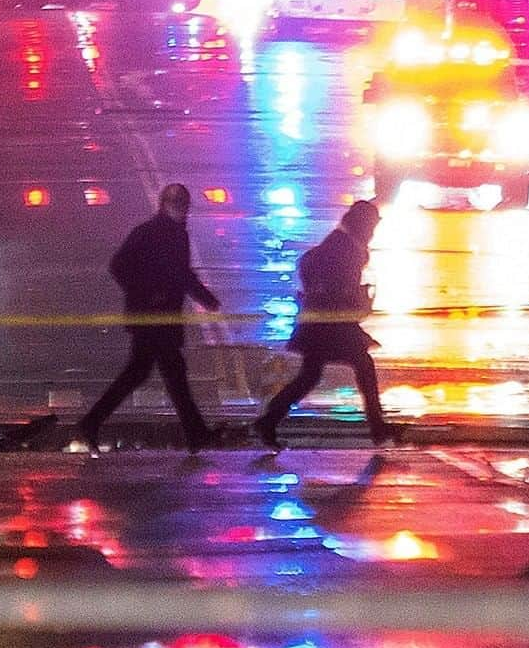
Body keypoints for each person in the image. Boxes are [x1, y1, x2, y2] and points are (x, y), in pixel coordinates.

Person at [77, 183, 223, 455]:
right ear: (166, 205)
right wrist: (148, 294)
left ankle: (92, 422)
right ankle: (196, 433)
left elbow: (179, 273)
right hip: (154, 318)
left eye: (183, 206)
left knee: (148, 373)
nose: (181, 211)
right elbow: (120, 265)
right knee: (169, 373)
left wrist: (203, 297)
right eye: (177, 205)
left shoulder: (167, 233)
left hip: (158, 317)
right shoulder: (156, 233)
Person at [253, 200, 399, 451]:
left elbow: (308, 263)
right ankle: (378, 429)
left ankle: (268, 421)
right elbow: (336, 282)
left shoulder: (341, 242)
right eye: (372, 227)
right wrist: (351, 298)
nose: (373, 233)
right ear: (363, 226)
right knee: (363, 365)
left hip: (321, 322)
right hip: (330, 324)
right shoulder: (346, 248)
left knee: (310, 376)